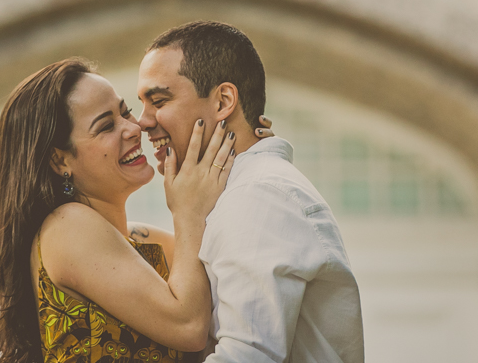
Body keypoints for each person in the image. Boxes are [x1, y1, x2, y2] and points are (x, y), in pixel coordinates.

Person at [0, 57, 245, 363]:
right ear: (60, 161)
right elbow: (189, 327)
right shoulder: (67, 226)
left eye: (125, 112)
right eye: (106, 126)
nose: (134, 128)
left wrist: (243, 135)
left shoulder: (146, 242)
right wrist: (187, 211)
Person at [136, 21, 365, 363]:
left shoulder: (258, 196)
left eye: (158, 100)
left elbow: (247, 356)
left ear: (223, 101)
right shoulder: (233, 195)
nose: (142, 121)